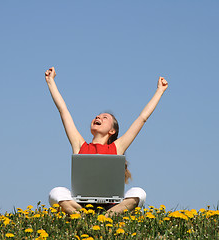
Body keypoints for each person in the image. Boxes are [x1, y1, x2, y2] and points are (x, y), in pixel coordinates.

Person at [45, 67, 168, 215]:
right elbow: (63, 110)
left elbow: (142, 118)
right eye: (97, 116)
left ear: (112, 131)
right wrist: (51, 81)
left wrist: (159, 91)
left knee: (139, 193)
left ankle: (107, 216)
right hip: (81, 204)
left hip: (111, 205)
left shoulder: (117, 147)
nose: (98, 118)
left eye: (105, 118)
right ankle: (84, 215)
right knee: (55, 193)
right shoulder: (79, 145)